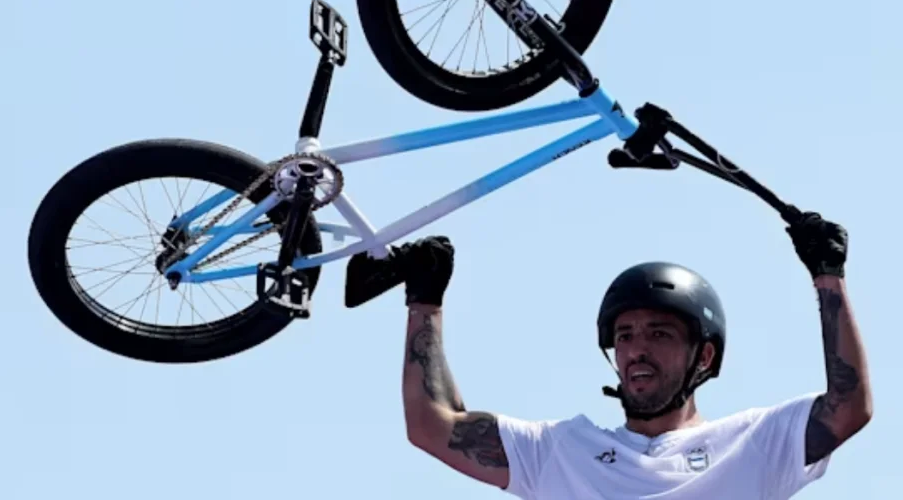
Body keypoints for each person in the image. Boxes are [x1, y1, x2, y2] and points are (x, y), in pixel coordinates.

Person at [348, 210, 871, 499]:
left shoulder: (754, 442)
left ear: (704, 357)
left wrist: (828, 276)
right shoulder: (558, 451)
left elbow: (848, 407)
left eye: (659, 334)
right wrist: (425, 300)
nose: (637, 349)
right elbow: (432, 425)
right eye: (624, 336)